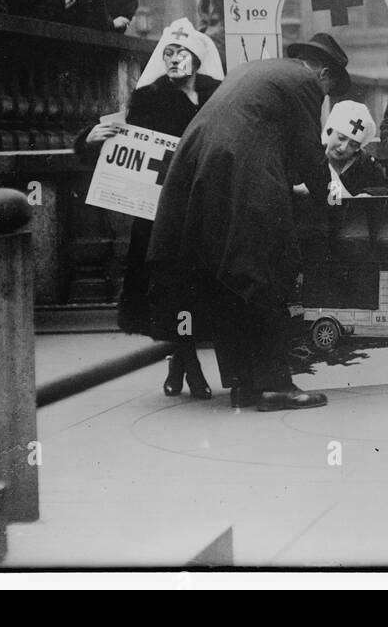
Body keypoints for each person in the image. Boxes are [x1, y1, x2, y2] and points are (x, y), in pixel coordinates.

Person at [147, 50, 343, 412]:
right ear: (324, 75)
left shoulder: (256, 71)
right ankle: (275, 386)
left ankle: (244, 384)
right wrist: (327, 195)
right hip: (240, 178)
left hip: (202, 173)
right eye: (330, 91)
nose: (325, 97)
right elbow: (308, 151)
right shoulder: (305, 82)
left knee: (230, 280)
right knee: (268, 273)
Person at [76, 19, 225, 397]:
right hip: (162, 214)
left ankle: (177, 362)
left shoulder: (217, 96)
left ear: (198, 57)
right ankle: (190, 366)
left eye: (183, 53)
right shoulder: (149, 98)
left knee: (198, 289)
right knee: (175, 288)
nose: (174, 60)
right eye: (169, 53)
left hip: (204, 209)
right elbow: (123, 142)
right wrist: (90, 138)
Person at [320, 100, 388, 197]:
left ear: (358, 148)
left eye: (353, 145)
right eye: (341, 138)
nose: (343, 148)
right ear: (330, 131)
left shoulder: (365, 164)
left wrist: (368, 193)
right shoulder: (314, 155)